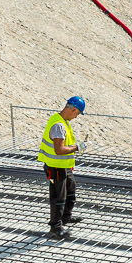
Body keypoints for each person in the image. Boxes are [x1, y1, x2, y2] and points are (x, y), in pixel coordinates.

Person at [38, 96, 86, 239]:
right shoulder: (58, 125)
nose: (76, 117)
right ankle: (55, 227)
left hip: (64, 166)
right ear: (73, 110)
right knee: (58, 197)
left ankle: (66, 217)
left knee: (70, 192)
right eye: (77, 113)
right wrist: (77, 148)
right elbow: (59, 150)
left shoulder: (62, 121)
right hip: (56, 167)